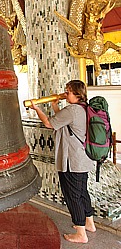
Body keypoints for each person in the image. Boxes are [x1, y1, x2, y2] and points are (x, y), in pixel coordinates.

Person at [30, 80, 96, 244]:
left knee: (73, 195)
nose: (65, 94)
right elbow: (65, 124)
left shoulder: (72, 109)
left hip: (72, 161)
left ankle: (81, 233)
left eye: (68, 92)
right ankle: (89, 224)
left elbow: (49, 124)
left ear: (77, 94)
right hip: (83, 159)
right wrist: (55, 107)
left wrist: (36, 108)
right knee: (82, 192)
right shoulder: (84, 108)